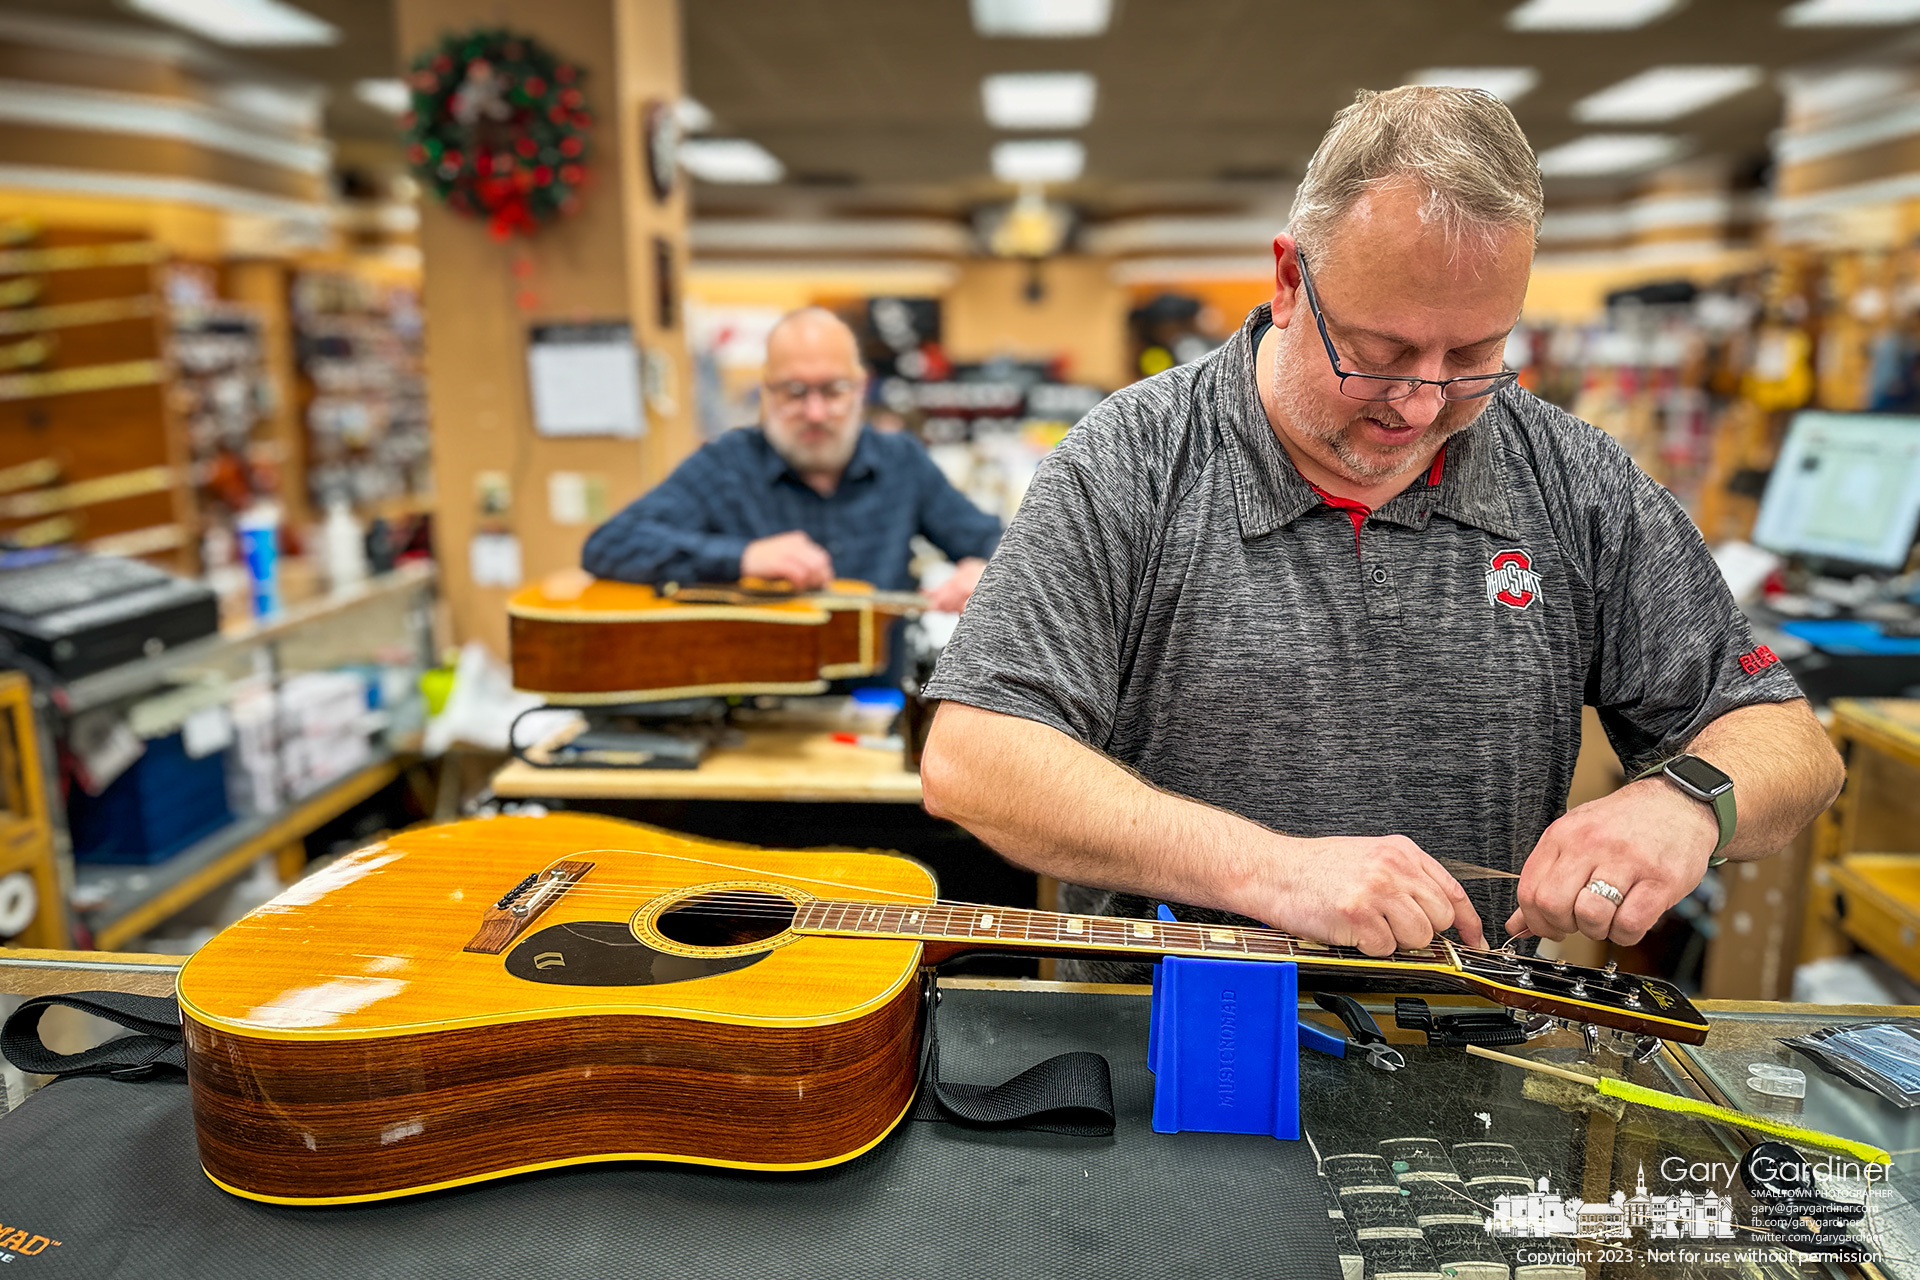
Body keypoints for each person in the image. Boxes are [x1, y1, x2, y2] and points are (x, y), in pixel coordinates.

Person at [918, 86, 1845, 977]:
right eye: (1379, 353)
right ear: (1290, 280)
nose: (1420, 399)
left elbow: (1789, 743)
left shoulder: (1572, 478)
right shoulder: (1136, 460)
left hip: (1471, 1056)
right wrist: (1274, 872)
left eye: (1475, 357)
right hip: (1171, 1058)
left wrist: (1685, 802)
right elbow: (974, 758)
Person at [582, 307, 1000, 612]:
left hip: (879, 699)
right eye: (794, 392)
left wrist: (986, 571)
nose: (815, 413)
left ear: (859, 389)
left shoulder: (902, 460)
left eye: (833, 390)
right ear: (766, 393)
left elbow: (996, 542)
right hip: (754, 704)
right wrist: (743, 557)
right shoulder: (725, 464)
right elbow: (609, 545)